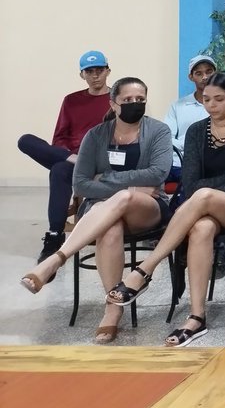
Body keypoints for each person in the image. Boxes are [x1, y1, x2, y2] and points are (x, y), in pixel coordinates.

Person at [105, 72, 225, 347]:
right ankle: (196, 317)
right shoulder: (196, 131)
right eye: (206, 99)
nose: (211, 105)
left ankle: (144, 270)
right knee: (201, 228)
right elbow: (189, 184)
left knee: (203, 195)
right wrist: (206, 191)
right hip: (202, 208)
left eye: (219, 99)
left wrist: (207, 190)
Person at [20, 77, 173, 345]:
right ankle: (113, 308)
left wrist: (106, 179)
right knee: (110, 227)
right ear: (113, 104)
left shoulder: (158, 131)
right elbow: (80, 184)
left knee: (124, 198)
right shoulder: (96, 135)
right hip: (102, 210)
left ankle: (57, 257)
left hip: (147, 208)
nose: (135, 104)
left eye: (140, 100)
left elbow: (158, 173)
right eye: (128, 100)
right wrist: (133, 186)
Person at [18, 50, 113, 263]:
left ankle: (54, 235)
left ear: (108, 71)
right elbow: (59, 137)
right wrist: (70, 155)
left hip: (101, 161)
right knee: (25, 141)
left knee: (59, 169)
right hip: (71, 158)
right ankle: (55, 235)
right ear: (82, 75)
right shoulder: (71, 101)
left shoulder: (116, 99)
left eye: (99, 70)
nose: (95, 76)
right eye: (90, 72)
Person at [165, 55, 218, 175]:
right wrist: (191, 146)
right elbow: (167, 137)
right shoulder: (178, 106)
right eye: (199, 73)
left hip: (214, 165)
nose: (205, 77)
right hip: (180, 163)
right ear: (191, 77)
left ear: (216, 73)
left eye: (209, 72)